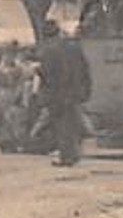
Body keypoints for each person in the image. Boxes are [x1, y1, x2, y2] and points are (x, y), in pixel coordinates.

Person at [37, 23, 93, 166]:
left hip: (58, 93)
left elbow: (48, 74)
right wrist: (85, 89)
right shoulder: (74, 48)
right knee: (72, 123)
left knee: (61, 125)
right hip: (74, 92)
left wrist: (44, 90)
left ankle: (67, 156)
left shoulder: (48, 51)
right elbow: (85, 69)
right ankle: (73, 154)